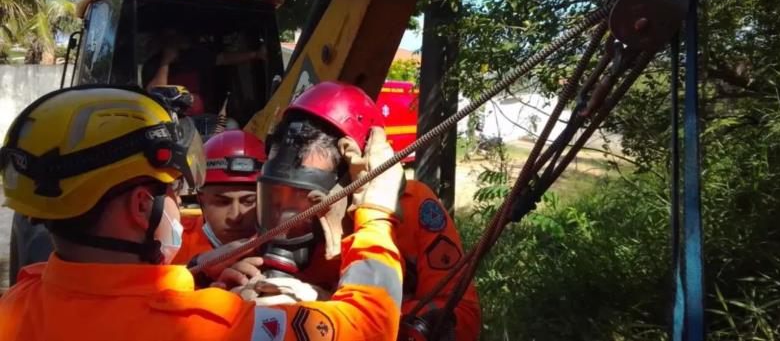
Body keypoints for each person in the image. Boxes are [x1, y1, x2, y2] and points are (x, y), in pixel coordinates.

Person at [0, 85, 404, 341]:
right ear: (143, 206)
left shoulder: (17, 303)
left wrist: (192, 272)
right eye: (175, 191)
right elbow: (371, 327)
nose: (182, 207)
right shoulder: (212, 327)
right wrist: (375, 214)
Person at [217, 82, 481, 341]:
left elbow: (464, 317)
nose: (285, 219)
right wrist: (226, 289)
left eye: (305, 200)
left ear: (357, 177)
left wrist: (327, 306)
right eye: (275, 199)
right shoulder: (264, 224)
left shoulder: (415, 207)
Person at [172, 129, 264, 265]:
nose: (235, 216)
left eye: (249, 201)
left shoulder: (282, 242)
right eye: (223, 202)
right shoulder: (171, 244)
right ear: (201, 200)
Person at [144, 28, 268, 115]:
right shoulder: (154, 65)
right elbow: (154, 96)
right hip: (170, 121)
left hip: (202, 121)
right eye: (174, 37)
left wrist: (255, 54)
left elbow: (223, 58)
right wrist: (165, 62)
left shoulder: (194, 57)